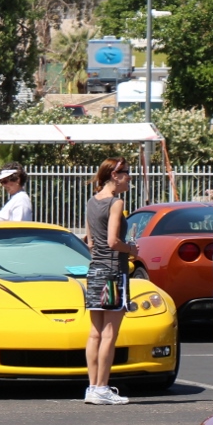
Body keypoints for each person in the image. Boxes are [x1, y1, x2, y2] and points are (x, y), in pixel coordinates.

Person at [84, 157, 138, 406]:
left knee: (95, 333)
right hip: (113, 272)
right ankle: (103, 387)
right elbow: (113, 241)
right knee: (109, 334)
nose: (129, 177)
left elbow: (91, 242)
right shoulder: (116, 203)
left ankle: (93, 387)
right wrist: (133, 249)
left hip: (94, 271)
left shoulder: (91, 202)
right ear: (115, 175)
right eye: (126, 173)